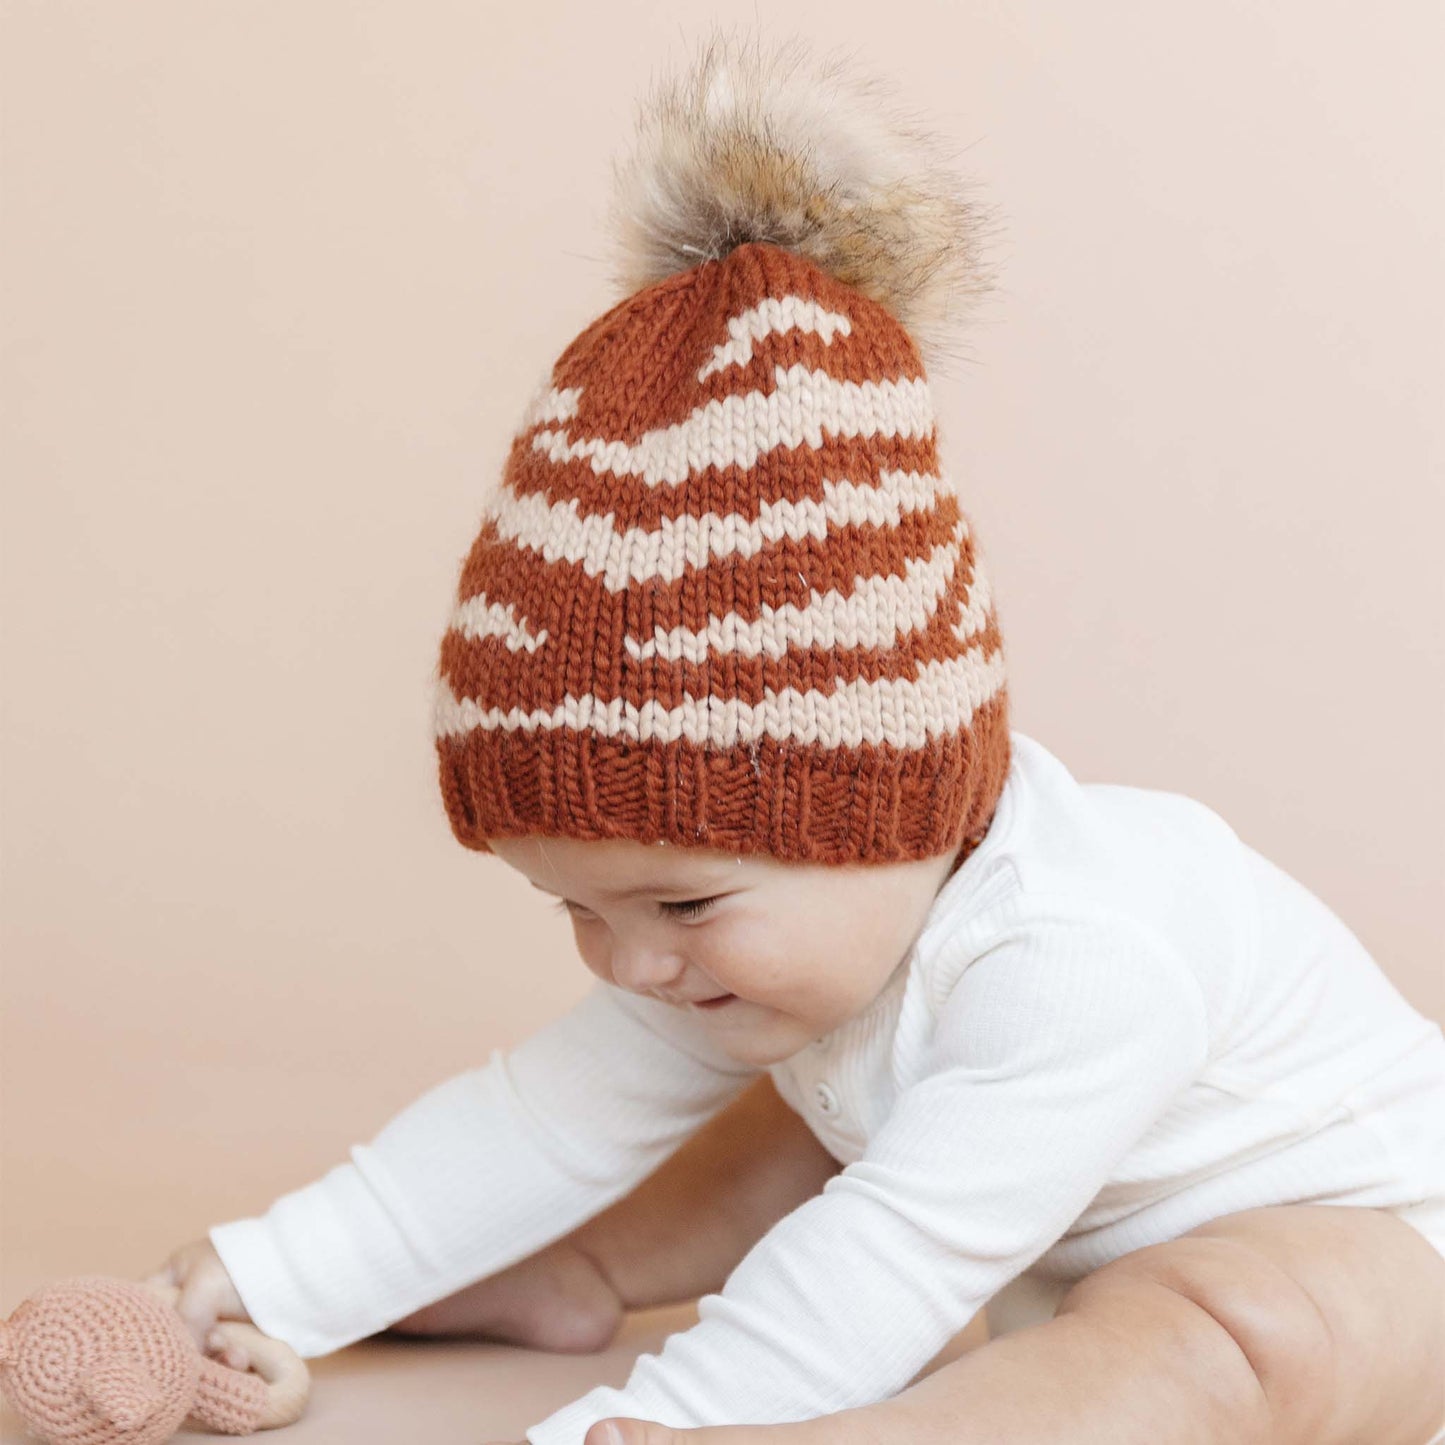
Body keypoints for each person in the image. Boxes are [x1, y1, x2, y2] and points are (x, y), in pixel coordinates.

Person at [144, 28, 1445, 1445]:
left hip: (1381, 1253)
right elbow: (545, 1111)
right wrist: (262, 1275)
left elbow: (898, 1247)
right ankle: (580, 1271)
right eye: (576, 909)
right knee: (801, 1100)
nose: (629, 960)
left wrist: (666, 1422)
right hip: (1028, 1224)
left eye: (681, 903)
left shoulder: (1081, 953)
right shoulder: (781, 936)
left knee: (1231, 1329)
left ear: (892, 808)